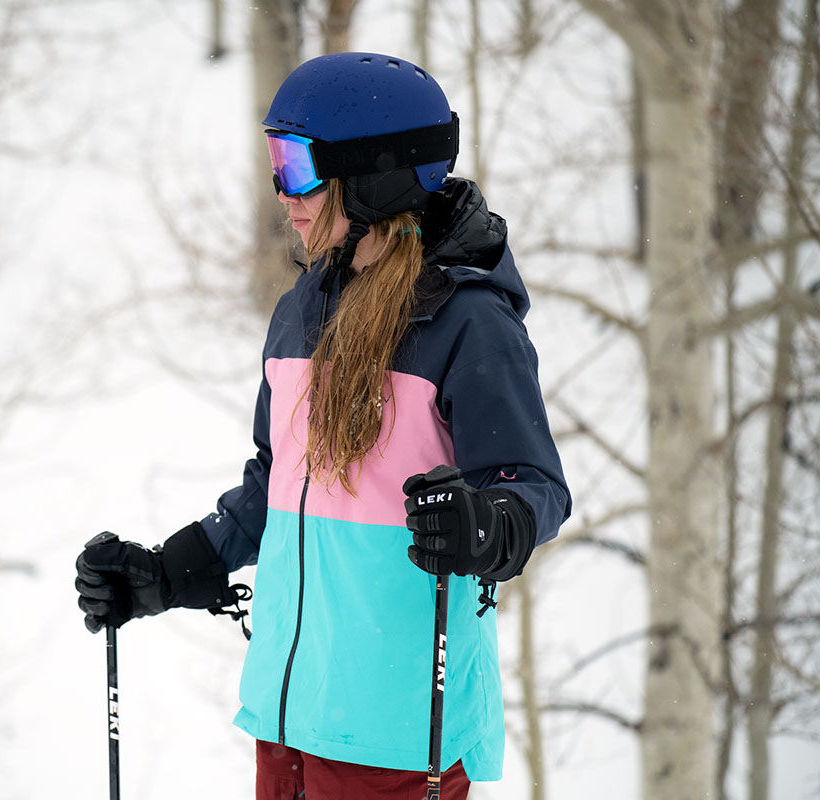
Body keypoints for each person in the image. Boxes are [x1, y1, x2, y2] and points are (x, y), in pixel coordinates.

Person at [75, 52, 571, 800]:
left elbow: (533, 486)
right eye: (276, 161)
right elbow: (269, 489)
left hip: (404, 738)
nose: (283, 192)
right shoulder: (300, 315)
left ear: (370, 176)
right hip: (289, 724)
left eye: (298, 165)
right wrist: (162, 574)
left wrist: (485, 525)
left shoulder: (468, 324)